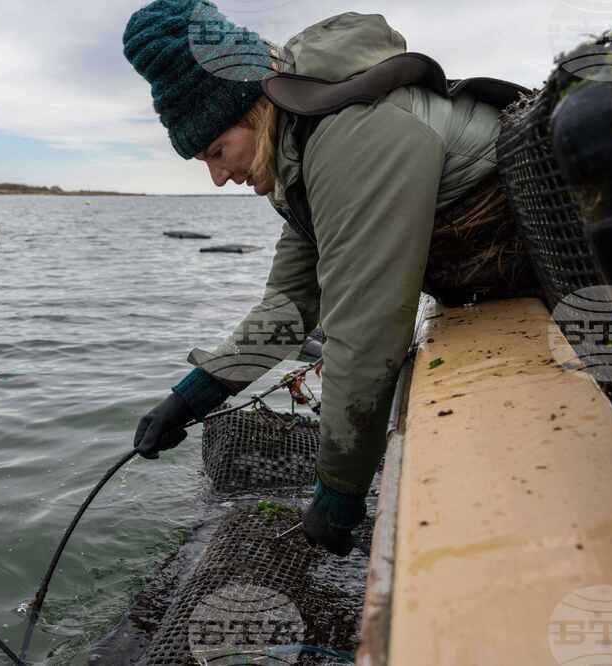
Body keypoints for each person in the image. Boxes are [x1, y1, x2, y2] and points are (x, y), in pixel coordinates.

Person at [123, 0, 536, 555]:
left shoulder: (348, 133)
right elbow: (291, 306)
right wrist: (196, 394)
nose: (220, 177)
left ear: (255, 109)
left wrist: (339, 492)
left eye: (218, 151)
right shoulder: (302, 150)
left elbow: (364, 332)